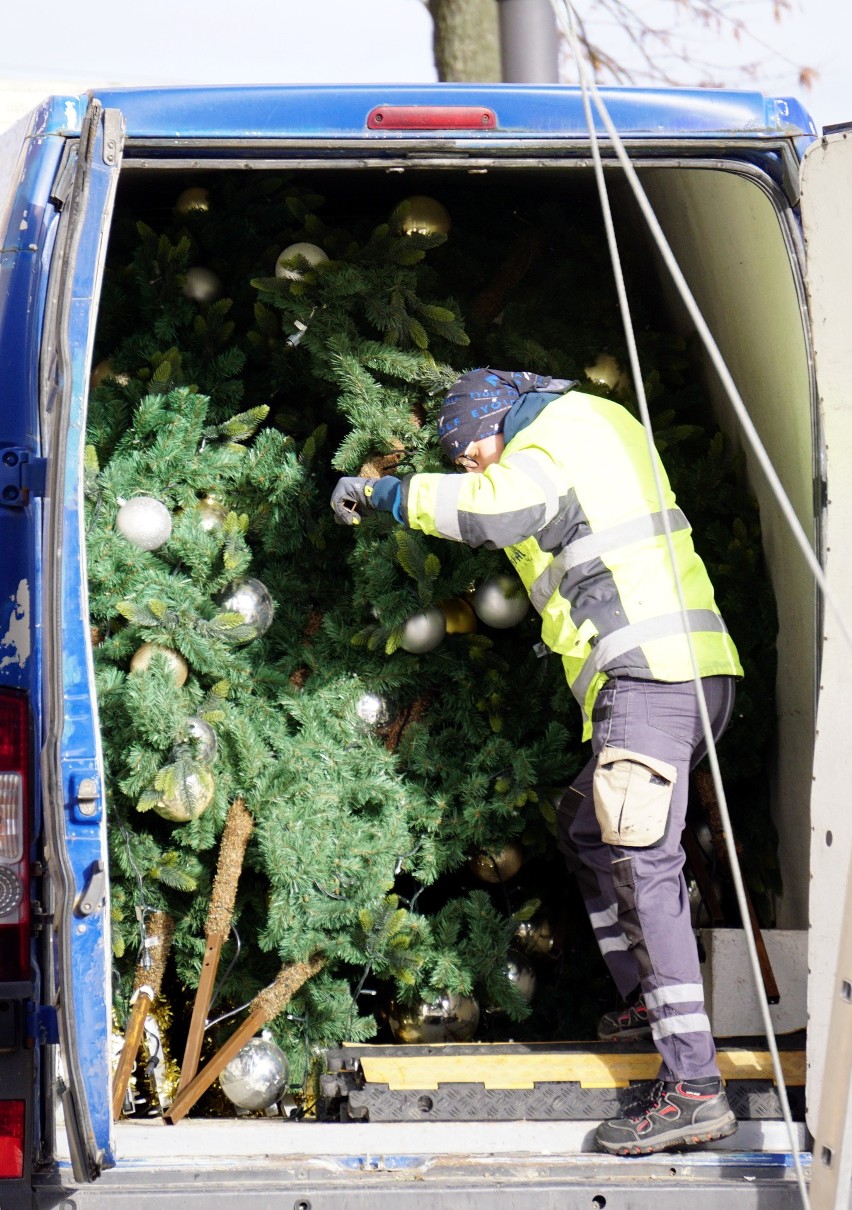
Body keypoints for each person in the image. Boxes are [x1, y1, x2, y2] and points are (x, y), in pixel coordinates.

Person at [330, 368, 742, 1155]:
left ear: (497, 420)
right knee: (585, 826)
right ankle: (643, 1008)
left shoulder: (551, 439)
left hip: (650, 677)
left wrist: (384, 496)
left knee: (641, 862)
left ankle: (692, 1084)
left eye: (471, 451)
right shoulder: (597, 425)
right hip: (693, 674)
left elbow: (498, 508)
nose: (474, 467)